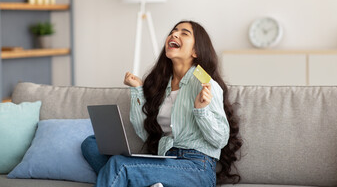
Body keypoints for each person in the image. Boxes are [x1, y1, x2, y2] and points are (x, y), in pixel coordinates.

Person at [81, 20, 242, 187]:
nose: (174, 34)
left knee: (119, 165)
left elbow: (220, 140)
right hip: (165, 160)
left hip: (196, 167)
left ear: (195, 51)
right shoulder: (161, 85)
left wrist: (201, 111)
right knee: (90, 145)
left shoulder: (205, 84)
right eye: (173, 31)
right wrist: (138, 90)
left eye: (184, 33)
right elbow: (146, 134)